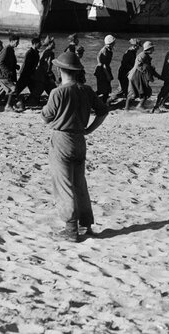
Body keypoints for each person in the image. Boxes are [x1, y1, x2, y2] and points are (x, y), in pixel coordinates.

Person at [41, 51, 110, 242]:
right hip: (80, 139)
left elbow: (46, 116)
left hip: (62, 139)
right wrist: (89, 129)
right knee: (80, 183)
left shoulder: (58, 92)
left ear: (59, 69)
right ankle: (85, 224)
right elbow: (103, 112)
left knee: (64, 184)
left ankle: (71, 228)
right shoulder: (86, 90)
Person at [125, 41, 161, 110]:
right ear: (149, 49)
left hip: (138, 76)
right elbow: (139, 66)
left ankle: (139, 106)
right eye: (153, 48)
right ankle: (127, 108)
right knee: (132, 93)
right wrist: (148, 71)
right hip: (135, 76)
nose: (154, 49)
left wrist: (157, 76)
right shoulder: (142, 55)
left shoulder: (145, 56)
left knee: (145, 92)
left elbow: (148, 68)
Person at [14, 37, 44, 108]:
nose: (40, 45)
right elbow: (26, 65)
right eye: (39, 43)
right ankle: (10, 100)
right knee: (18, 88)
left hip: (30, 74)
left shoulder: (36, 53)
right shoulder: (30, 53)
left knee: (33, 89)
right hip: (26, 74)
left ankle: (31, 100)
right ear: (34, 44)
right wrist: (26, 74)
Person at [0, 35, 20, 111]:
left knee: (0, 90)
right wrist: (8, 71)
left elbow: (7, 61)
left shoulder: (10, 49)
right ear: (12, 41)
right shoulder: (6, 50)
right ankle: (8, 106)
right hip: (3, 74)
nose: (18, 44)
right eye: (17, 42)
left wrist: (15, 66)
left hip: (0, 74)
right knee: (13, 89)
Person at [94, 35, 115, 103]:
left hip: (104, 70)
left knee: (107, 89)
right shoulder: (104, 51)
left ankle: (104, 102)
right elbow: (104, 65)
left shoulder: (108, 49)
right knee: (102, 90)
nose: (114, 43)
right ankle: (91, 99)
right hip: (102, 71)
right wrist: (107, 75)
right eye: (113, 42)